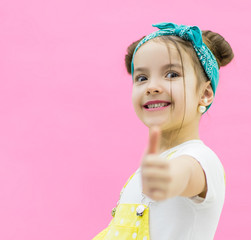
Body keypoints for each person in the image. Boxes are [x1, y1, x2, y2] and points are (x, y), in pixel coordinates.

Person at [92, 22, 234, 240]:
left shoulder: (201, 159)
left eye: (171, 74)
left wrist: (169, 178)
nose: (152, 86)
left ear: (205, 94)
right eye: (142, 78)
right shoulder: (147, 169)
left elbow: (185, 173)